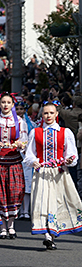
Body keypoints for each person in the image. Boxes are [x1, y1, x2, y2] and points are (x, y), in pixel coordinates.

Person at [24, 102, 82, 248]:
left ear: (56, 114)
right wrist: (34, 162)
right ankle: (48, 236)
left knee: (58, 202)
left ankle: (54, 231)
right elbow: (29, 154)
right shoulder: (35, 132)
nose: (48, 116)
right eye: (45, 113)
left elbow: (72, 153)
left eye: (51, 113)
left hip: (59, 172)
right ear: (42, 115)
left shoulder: (65, 132)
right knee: (43, 202)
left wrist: (69, 159)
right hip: (42, 173)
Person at [0, 93, 26, 238]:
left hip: (13, 161)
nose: (6, 105)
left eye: (9, 102)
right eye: (3, 102)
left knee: (14, 192)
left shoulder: (19, 121)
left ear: (13, 105)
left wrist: (21, 144)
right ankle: (3, 227)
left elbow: (24, 140)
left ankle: (12, 225)